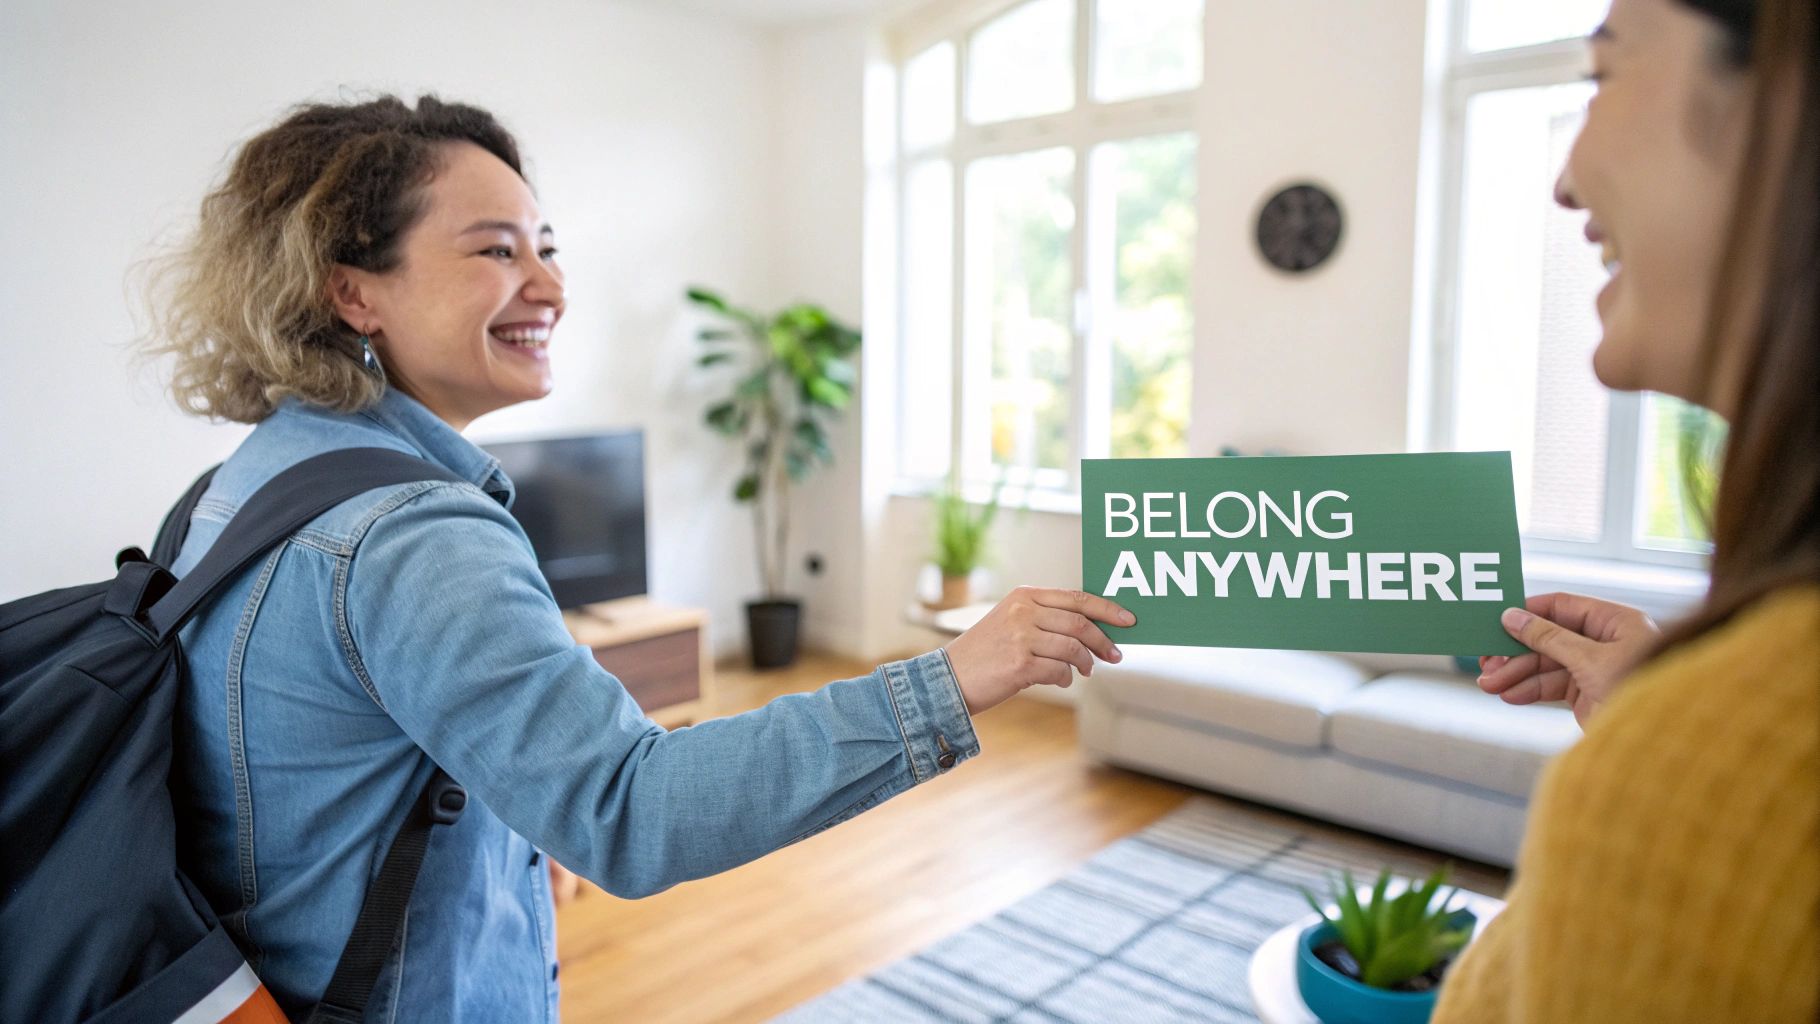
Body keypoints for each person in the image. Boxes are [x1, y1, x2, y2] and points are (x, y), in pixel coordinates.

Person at [142, 95, 1132, 1022]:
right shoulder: (413, 532)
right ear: (352, 290)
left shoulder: (257, 476)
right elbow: (628, 807)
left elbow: (325, 753)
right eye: (494, 250)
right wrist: (953, 677)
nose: (550, 286)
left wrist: (506, 819)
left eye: (547, 247)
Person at [1434, 0, 1818, 1018]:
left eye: (1600, 75)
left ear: (1782, 103)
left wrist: (1679, 745)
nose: (1562, 180)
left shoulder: (1725, 773)